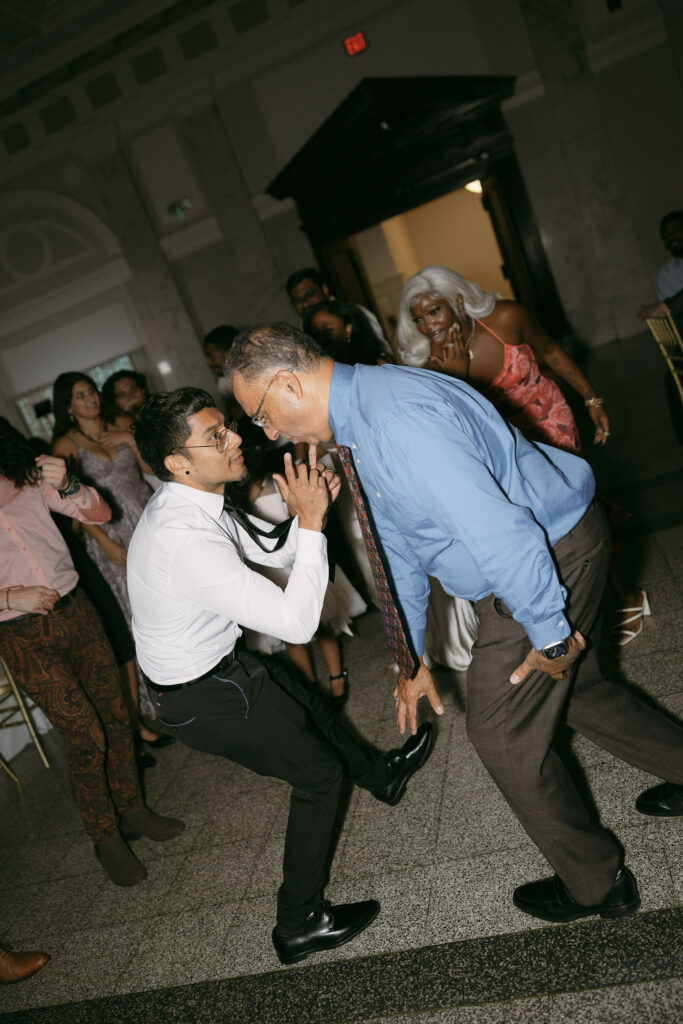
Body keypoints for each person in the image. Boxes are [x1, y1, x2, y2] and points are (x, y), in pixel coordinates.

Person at [229, 322, 683, 926]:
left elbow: (503, 534)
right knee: (583, 693)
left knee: (501, 735)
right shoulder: (364, 414)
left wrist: (550, 631)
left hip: (538, 565)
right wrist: (410, 657)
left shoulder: (395, 423)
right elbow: (399, 542)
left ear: (288, 384)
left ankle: (599, 883)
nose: (267, 433)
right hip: (559, 542)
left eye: (260, 415)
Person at [127, 387, 435, 964]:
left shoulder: (195, 501)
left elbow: (271, 546)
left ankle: (381, 776)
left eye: (229, 426)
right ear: (177, 462)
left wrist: (305, 515)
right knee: (318, 777)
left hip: (220, 666)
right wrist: (315, 526)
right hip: (201, 695)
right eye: (216, 436)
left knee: (310, 703)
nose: (237, 438)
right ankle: (298, 923)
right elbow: (296, 623)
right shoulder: (184, 539)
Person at [397, 266, 647, 648]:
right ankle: (581, 603)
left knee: (577, 512)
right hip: (504, 448)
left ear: (458, 301)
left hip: (549, 423)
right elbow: (460, 423)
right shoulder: (433, 362)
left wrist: (591, 398)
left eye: (434, 311)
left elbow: (550, 351)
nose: (427, 325)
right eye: (418, 318)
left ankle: (625, 596)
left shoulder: (506, 317)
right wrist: (452, 373)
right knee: (539, 526)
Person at [0, 418, 184, 887]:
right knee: (85, 735)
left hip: (78, 610)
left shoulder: (26, 474)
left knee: (117, 718)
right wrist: (8, 598)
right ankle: (105, 838)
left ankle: (134, 811)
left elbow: (101, 515)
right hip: (21, 633)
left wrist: (69, 483)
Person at [51, 372, 164, 748]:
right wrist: (105, 542)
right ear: (67, 406)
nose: (90, 399)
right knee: (136, 617)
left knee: (170, 599)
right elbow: (69, 506)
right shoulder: (64, 445)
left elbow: (152, 470)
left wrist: (131, 439)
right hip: (109, 535)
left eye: (91, 391)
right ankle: (154, 705)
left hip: (146, 517)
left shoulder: (119, 424)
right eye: (80, 395)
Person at [286, 267, 393, 359]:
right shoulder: (303, 329)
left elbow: (381, 350)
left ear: (325, 289)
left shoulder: (353, 312)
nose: (305, 304)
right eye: (297, 301)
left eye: (309, 295)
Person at [303, 299, 387, 367]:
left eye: (328, 330)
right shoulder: (318, 367)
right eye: (315, 333)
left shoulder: (376, 365)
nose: (321, 338)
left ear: (348, 329)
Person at [637, 210, 683, 321]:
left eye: (676, 230)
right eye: (665, 235)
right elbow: (671, 317)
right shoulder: (665, 275)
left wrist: (650, 310)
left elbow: (666, 308)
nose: (671, 237)